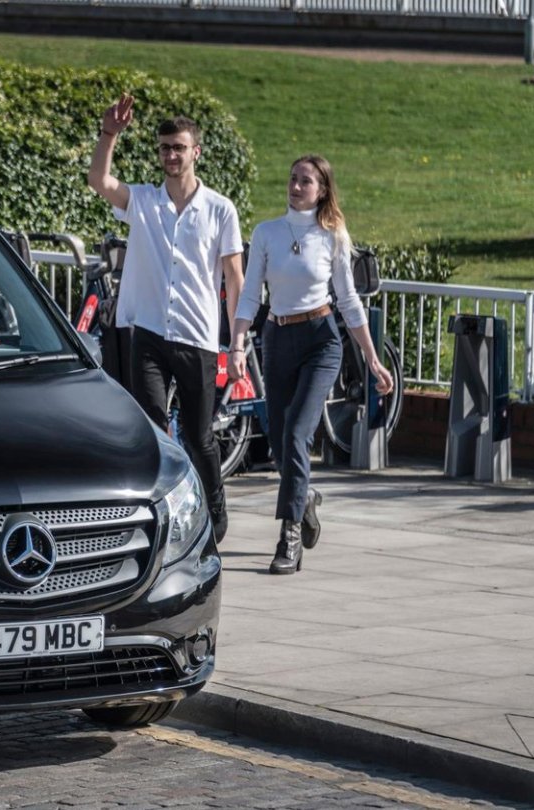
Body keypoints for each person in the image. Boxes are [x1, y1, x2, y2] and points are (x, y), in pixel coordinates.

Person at [87, 93, 245, 544]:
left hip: (197, 337)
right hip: (150, 335)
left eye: (179, 147)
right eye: (164, 148)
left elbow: (234, 280)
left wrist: (237, 344)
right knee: (152, 429)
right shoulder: (144, 201)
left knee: (199, 437)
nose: (171, 155)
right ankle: (165, 519)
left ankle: (215, 507)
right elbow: (99, 180)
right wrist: (109, 133)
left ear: (196, 152)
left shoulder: (220, 209)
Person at [228, 155, 393, 575]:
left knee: (298, 432)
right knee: (280, 440)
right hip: (277, 338)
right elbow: (251, 294)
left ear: (322, 191)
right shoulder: (266, 233)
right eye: (293, 178)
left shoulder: (332, 235)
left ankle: (289, 538)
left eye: (306, 181)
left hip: (321, 341)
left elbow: (349, 300)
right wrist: (237, 343)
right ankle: (305, 498)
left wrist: (372, 359)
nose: (296, 186)